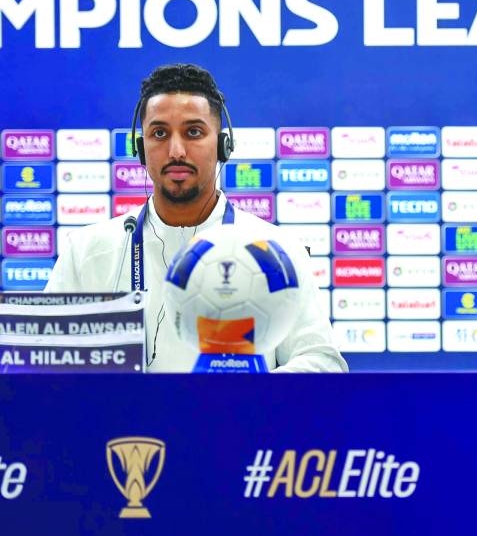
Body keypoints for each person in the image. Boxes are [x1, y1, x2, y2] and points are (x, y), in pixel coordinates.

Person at [46, 63, 348, 373]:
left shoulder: (273, 249)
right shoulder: (87, 250)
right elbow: (44, 362)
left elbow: (323, 363)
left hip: (236, 421)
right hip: (126, 423)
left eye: (193, 132)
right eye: (159, 133)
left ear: (222, 145)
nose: (176, 151)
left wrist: (251, 390)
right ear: (141, 147)